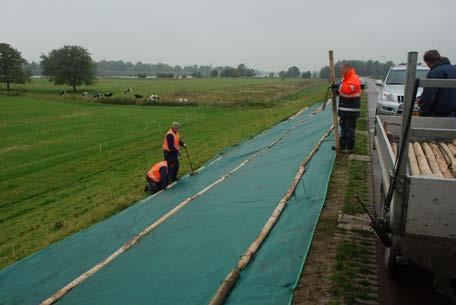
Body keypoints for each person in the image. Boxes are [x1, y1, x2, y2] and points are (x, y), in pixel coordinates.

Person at [332, 64, 362, 153]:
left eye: (342, 71)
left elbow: (349, 90)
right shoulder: (346, 78)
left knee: (349, 129)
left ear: (347, 69)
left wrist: (339, 87)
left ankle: (350, 148)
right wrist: (337, 90)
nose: (341, 73)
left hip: (351, 109)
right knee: (344, 128)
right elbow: (343, 92)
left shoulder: (354, 78)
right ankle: (342, 146)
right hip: (345, 109)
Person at [417, 50, 456, 117]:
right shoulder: (454, 69)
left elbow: (428, 96)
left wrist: (422, 111)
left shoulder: (434, 73)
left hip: (439, 115)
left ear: (428, 62)